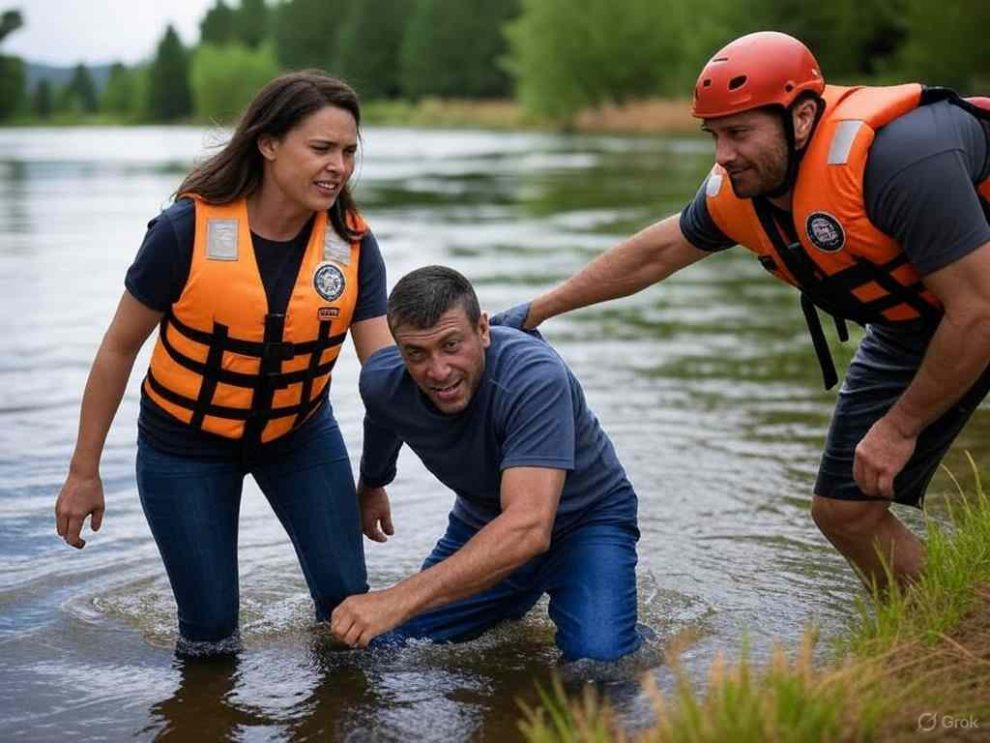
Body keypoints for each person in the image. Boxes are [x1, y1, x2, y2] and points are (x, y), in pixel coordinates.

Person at [495, 31, 990, 590]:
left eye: (738, 133)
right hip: (918, 319)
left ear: (802, 118)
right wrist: (536, 311)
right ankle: (946, 631)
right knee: (843, 511)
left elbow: (978, 312)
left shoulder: (901, 160)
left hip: (976, 298)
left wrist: (900, 429)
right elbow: (653, 254)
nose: (723, 156)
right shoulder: (743, 191)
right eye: (714, 135)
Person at [54, 71, 393, 655]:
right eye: (321, 149)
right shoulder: (184, 231)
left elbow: (384, 378)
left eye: (348, 152)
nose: (338, 165)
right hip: (183, 443)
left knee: (349, 612)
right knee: (209, 635)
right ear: (267, 143)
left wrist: (374, 479)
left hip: (300, 436)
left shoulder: (353, 248)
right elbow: (117, 348)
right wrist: (84, 472)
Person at [329, 266, 643, 662]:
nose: (438, 371)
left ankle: (616, 621)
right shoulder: (382, 379)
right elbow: (385, 414)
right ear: (398, 349)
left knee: (597, 662)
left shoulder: (534, 376)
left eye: (451, 345)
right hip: (484, 520)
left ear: (482, 329)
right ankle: (512, 604)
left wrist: (395, 599)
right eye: (417, 354)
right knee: (382, 649)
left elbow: (528, 527)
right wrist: (373, 484)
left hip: (586, 522)